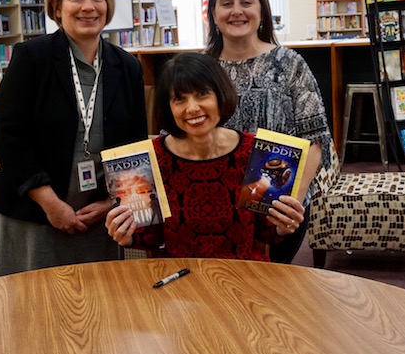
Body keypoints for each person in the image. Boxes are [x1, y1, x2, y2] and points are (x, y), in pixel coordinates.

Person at [0, 0, 148, 275]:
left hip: (99, 219)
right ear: (58, 7)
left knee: (102, 308)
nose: (88, 7)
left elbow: (135, 146)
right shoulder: (32, 58)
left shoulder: (127, 67)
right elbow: (10, 138)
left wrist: (113, 203)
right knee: (35, 310)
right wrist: (51, 204)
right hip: (34, 215)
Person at [105, 53, 305, 261]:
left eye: (202, 94)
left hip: (244, 277)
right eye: (179, 99)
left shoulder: (257, 152)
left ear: (220, 95)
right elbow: (148, 237)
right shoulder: (146, 160)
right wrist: (125, 234)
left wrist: (283, 225)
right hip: (179, 279)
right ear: (168, 107)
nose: (192, 108)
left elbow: (267, 233)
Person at [205, 0, 332, 264]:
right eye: (226, 3)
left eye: (246, 2)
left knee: (271, 294)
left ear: (262, 10)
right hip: (213, 209)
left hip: (276, 209)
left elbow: (315, 140)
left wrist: (293, 202)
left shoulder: (290, 64)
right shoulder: (200, 68)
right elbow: (174, 136)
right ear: (213, 13)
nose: (237, 11)